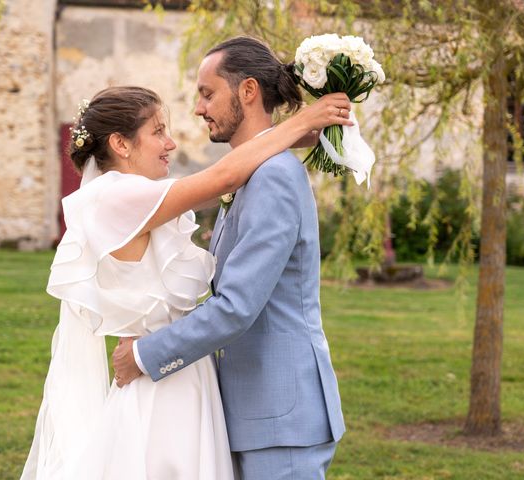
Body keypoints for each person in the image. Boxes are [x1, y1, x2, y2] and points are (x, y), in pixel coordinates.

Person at [20, 83, 352, 479]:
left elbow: (231, 176)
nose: (171, 143)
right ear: (121, 145)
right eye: (158, 131)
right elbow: (224, 177)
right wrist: (301, 121)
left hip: (184, 375)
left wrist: (294, 139)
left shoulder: (140, 198)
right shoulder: (115, 198)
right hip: (161, 382)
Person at [114, 37, 348, 479]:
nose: (199, 109)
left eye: (207, 93)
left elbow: (237, 307)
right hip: (255, 415)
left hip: (282, 420)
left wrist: (145, 355)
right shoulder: (251, 173)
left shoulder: (273, 176)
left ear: (247, 91)